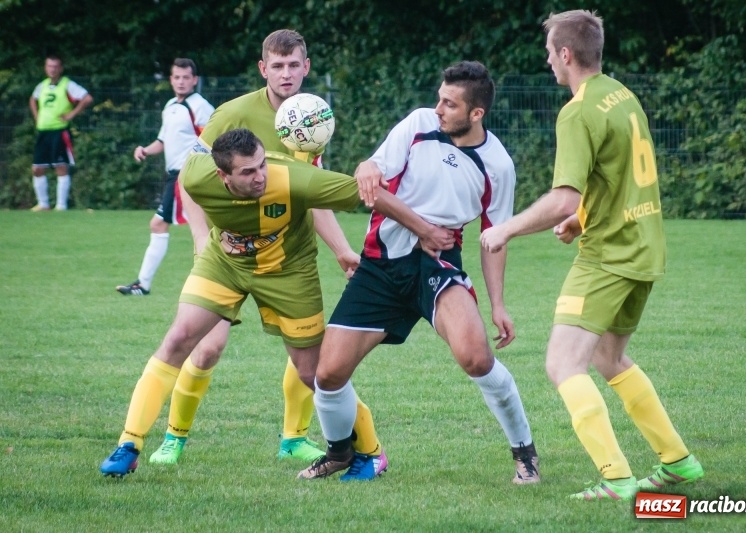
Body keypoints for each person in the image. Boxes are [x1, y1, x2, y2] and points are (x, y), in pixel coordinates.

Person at [99, 128, 452, 479]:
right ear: (222, 175)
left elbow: (370, 194)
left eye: (261, 166)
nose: (260, 177)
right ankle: (129, 444)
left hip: (289, 273)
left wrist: (423, 229)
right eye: (247, 172)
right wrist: (198, 239)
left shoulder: (295, 179)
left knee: (314, 373)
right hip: (225, 263)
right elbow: (185, 185)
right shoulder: (196, 174)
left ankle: (371, 451)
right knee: (178, 339)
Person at [480, 10, 704, 500]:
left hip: (608, 257)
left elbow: (562, 195)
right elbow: (620, 172)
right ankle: (679, 463)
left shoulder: (577, 110)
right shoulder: (621, 95)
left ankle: (618, 479)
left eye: (549, 54)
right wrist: (582, 217)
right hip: (643, 246)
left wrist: (506, 229)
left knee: (563, 365)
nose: (548, 62)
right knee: (610, 357)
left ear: (565, 54)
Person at [142, 30, 386, 475]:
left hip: (289, 260)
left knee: (306, 357)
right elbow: (191, 179)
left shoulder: (310, 117)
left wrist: (342, 250)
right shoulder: (233, 114)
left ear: (307, 67)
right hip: (229, 256)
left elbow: (306, 192)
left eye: (295, 65)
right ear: (263, 69)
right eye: (278, 66)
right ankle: (173, 438)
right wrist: (200, 240)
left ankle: (294, 439)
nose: (287, 73)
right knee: (206, 346)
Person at [298, 61, 541, 485]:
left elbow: (494, 237)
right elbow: (371, 186)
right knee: (328, 374)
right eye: (439, 99)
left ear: (476, 113)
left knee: (477, 357)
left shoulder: (498, 166)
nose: (439, 109)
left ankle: (525, 454)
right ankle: (339, 453)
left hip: (439, 264)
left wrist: (499, 304)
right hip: (382, 263)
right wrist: (371, 171)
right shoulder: (417, 124)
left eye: (450, 103)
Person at [116, 58, 215, 296]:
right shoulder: (170, 105)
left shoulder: (200, 106)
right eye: (177, 77)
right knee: (205, 228)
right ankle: (215, 286)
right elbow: (163, 140)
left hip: (188, 176)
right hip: (175, 176)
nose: (181, 82)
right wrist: (145, 150)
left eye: (186, 77)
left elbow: (215, 139)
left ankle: (146, 284)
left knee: (162, 224)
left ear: (195, 80)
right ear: (171, 80)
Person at [29, 53, 93, 211]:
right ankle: (43, 204)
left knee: (61, 166)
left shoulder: (67, 85)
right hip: (43, 132)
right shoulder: (42, 85)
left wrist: (72, 114)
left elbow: (87, 98)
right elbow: (32, 99)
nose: (52, 69)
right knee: (37, 168)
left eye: (56, 66)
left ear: (61, 69)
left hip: (59, 131)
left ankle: (61, 206)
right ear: (45, 68)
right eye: (50, 66)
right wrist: (37, 117)